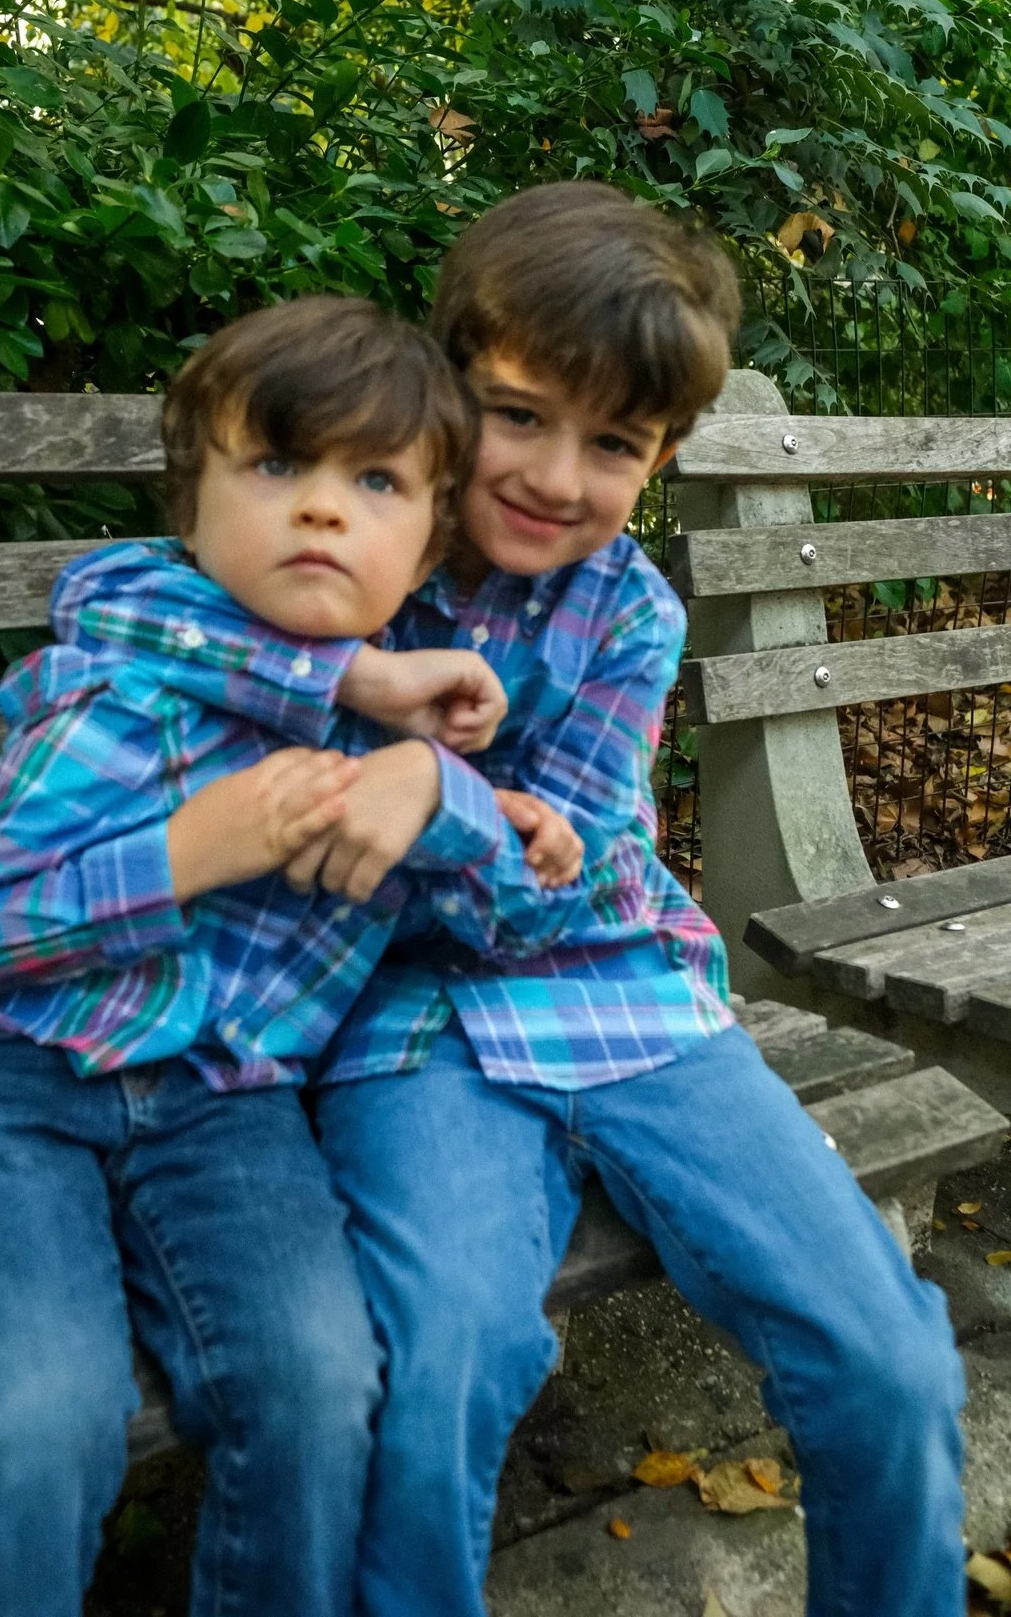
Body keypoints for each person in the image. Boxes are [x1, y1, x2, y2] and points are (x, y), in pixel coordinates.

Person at [52, 183, 968, 1617]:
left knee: (889, 1362)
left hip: (634, 1007)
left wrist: (432, 794)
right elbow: (104, 604)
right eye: (520, 416)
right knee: (437, 1369)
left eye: (615, 444)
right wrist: (351, 678)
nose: (555, 476)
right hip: (406, 1029)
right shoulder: (344, 546)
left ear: (662, 456)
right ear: (446, 387)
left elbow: (579, 876)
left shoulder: (629, 614)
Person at [0, 294, 556, 1617]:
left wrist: (470, 811)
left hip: (226, 1100)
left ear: (430, 544)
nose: (322, 509)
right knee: (40, 1405)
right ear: (189, 511)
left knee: (317, 1379)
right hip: (12, 1073)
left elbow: (508, 923)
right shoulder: (123, 685)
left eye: (375, 482)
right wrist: (185, 853)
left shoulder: (397, 751)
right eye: (277, 465)